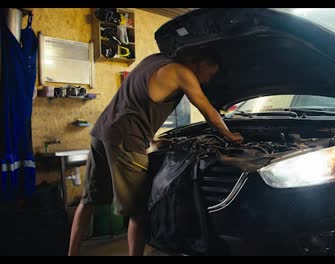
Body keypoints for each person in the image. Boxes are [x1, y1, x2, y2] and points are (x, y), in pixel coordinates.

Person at [68, 47, 244, 256]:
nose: (207, 80)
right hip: (126, 139)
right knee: (139, 213)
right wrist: (230, 135)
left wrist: (151, 137)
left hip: (103, 132)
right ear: (201, 63)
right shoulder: (182, 72)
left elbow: (137, 102)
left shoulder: (153, 60)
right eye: (210, 73)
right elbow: (207, 110)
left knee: (88, 202)